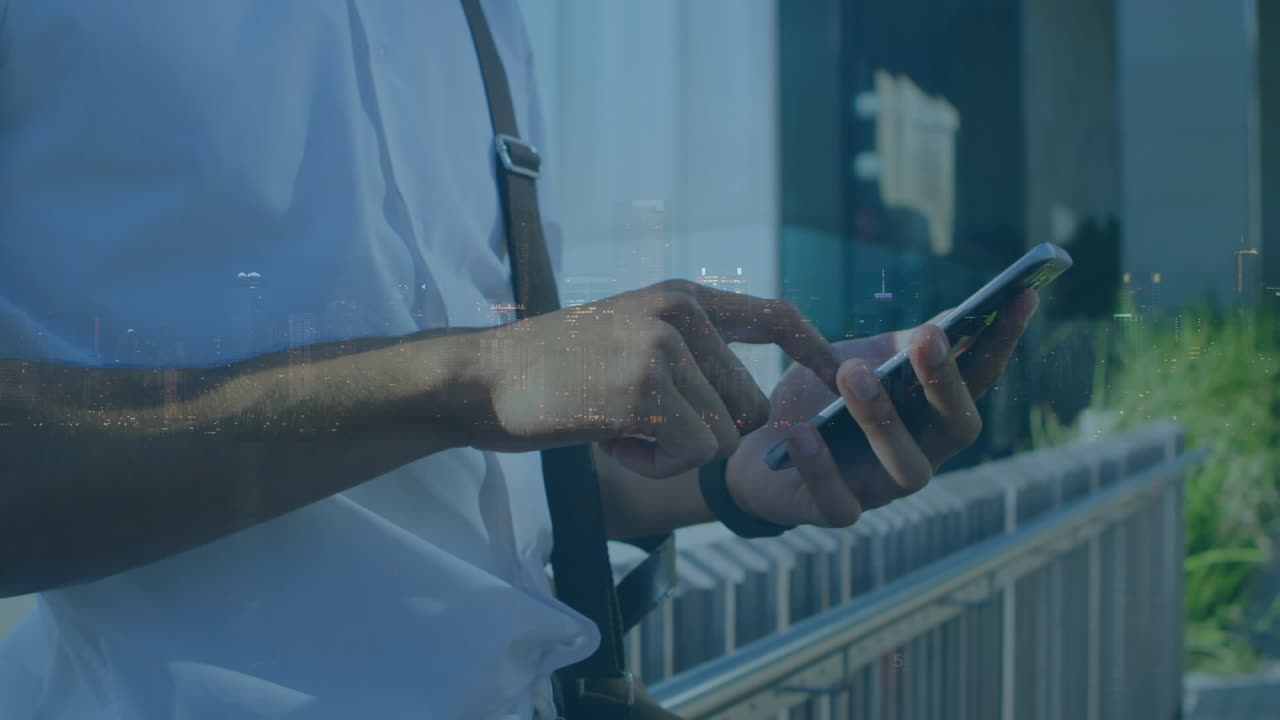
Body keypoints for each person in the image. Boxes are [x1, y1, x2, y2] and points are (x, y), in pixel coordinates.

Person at [0, 1, 1038, 718]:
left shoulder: (476, 22)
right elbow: (467, 398)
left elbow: (473, 482)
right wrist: (470, 379)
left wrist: (749, 467)